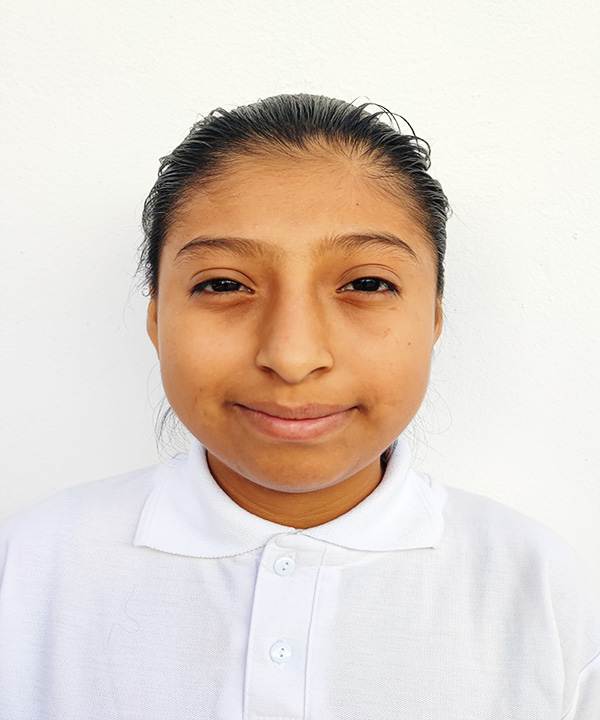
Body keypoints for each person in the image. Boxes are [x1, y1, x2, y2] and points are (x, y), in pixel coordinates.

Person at [0, 94, 598, 719]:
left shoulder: (537, 591)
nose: (291, 356)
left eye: (366, 283)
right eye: (223, 284)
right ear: (156, 319)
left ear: (435, 319)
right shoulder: (31, 571)